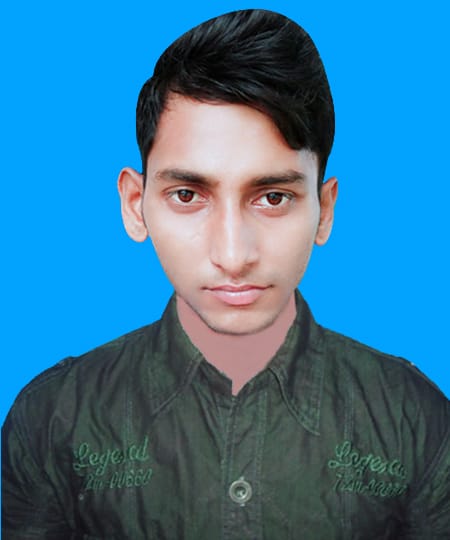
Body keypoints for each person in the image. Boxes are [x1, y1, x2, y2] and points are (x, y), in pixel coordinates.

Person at [2, 8, 449, 539]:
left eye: (273, 197)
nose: (234, 256)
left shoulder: (415, 418)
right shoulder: (51, 418)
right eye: (187, 195)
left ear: (325, 210)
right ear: (135, 204)